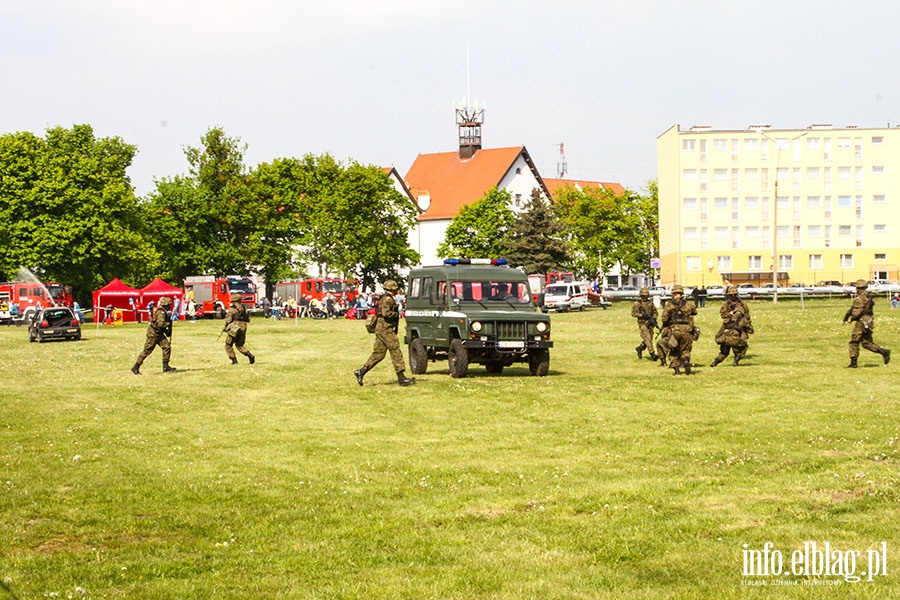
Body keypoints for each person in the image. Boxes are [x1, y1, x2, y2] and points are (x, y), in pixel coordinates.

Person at [354, 280, 416, 386]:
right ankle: (401, 378)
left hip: (381, 328)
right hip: (385, 328)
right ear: (392, 289)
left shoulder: (385, 298)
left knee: (379, 354)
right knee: (395, 350)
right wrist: (397, 314)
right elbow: (386, 313)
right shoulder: (387, 299)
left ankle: (361, 371)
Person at [843, 279, 890, 368]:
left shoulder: (860, 298)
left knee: (854, 341)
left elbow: (858, 311)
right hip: (868, 321)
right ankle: (884, 352)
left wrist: (851, 318)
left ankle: (853, 363)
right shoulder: (868, 296)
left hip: (861, 322)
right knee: (866, 343)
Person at [710, 285, 754, 367]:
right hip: (730, 328)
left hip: (737, 327)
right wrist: (730, 314)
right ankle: (734, 361)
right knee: (739, 346)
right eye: (731, 295)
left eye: (734, 295)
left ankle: (716, 362)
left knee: (727, 349)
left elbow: (747, 316)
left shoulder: (742, 304)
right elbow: (723, 315)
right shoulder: (727, 304)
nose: (733, 296)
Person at [131, 296, 176, 375]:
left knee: (166, 347)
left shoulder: (165, 312)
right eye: (169, 305)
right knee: (147, 350)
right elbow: (160, 324)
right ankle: (136, 367)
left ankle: (166, 366)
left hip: (159, 334)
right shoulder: (161, 312)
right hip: (153, 334)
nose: (170, 306)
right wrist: (168, 324)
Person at [660, 284, 697, 375]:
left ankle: (677, 371)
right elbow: (695, 311)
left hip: (674, 331)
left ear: (673, 294)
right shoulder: (688, 304)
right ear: (682, 294)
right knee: (685, 349)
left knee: (673, 350)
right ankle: (685, 361)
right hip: (687, 331)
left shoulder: (669, 305)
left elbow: (664, 319)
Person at [224, 293, 255, 365]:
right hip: (243, 327)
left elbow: (228, 320)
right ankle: (250, 355)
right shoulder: (244, 308)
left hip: (235, 328)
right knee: (240, 345)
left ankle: (234, 360)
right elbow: (248, 319)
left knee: (228, 344)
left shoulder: (232, 309)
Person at [630, 287, 658, 361]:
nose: (645, 297)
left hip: (650, 323)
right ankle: (652, 353)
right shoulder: (637, 304)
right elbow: (633, 313)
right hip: (642, 323)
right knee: (648, 337)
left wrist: (654, 318)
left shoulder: (650, 303)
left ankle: (640, 348)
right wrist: (642, 315)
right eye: (643, 296)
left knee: (648, 338)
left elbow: (655, 312)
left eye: (646, 296)